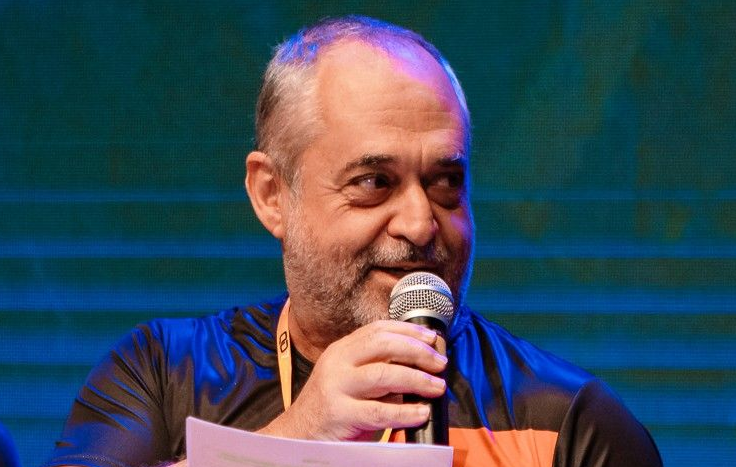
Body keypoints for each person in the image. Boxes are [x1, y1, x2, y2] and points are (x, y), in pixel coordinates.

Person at [43, 15, 662, 467]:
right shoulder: (164, 373)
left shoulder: (565, 422)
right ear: (271, 195)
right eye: (374, 182)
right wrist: (296, 439)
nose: (421, 224)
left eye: (445, 183)